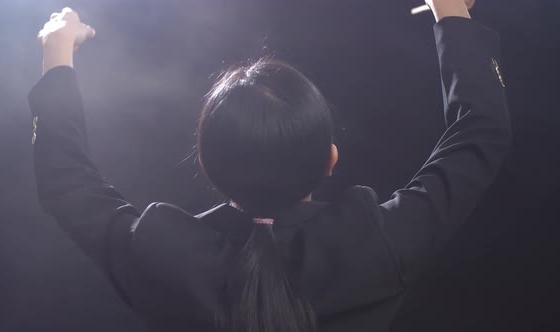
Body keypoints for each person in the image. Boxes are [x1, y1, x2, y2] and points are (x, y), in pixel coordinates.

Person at [29, 1, 511, 331]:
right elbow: (480, 130)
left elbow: (65, 179)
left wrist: (57, 52)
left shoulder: (161, 255)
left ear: (206, 161)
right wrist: (450, 13)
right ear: (331, 160)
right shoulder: (374, 245)